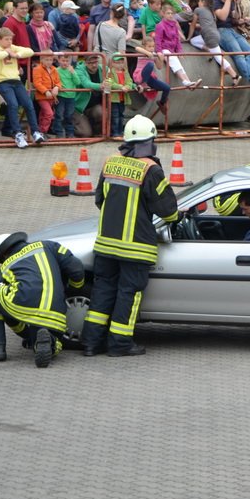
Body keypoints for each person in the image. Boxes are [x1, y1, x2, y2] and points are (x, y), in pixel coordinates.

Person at [81, 116, 182, 357]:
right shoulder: (151, 169)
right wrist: (175, 218)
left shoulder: (110, 163)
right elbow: (168, 211)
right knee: (129, 294)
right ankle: (120, 344)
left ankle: (90, 343)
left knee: (103, 291)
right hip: (136, 248)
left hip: (106, 245)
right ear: (151, 141)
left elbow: (99, 200)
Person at [0, 232, 85, 366]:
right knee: (52, 337)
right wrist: (76, 288)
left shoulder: (4, 269)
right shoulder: (48, 246)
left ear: (3, 255)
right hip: (57, 311)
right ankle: (49, 342)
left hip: (22, 305)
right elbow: (76, 268)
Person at [0, 27, 45, 147]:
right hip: (2, 81)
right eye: (6, 39)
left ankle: (36, 132)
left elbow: (29, 51)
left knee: (28, 104)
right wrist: (7, 52)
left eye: (11, 39)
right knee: (13, 104)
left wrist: (17, 54)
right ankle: (17, 133)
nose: (9, 42)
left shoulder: (13, 47)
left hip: (16, 80)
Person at [31, 50, 61, 136]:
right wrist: (45, 91)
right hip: (42, 97)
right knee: (49, 113)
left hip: (52, 97)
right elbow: (37, 83)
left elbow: (58, 82)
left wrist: (56, 87)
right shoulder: (37, 69)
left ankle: (40, 131)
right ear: (41, 60)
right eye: (46, 60)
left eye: (50, 60)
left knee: (43, 114)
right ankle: (43, 131)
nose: (49, 62)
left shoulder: (54, 69)